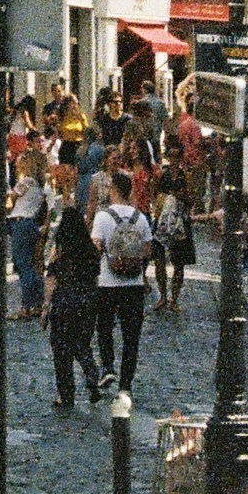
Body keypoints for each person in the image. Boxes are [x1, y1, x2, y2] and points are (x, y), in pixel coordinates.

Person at [93, 167, 157, 391]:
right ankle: (126, 383)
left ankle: (108, 366)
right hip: (134, 283)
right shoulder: (140, 218)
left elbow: (96, 246)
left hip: (108, 282)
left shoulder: (102, 216)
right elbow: (148, 249)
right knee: (132, 336)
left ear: (113, 190)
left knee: (104, 327)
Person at [45, 176, 106, 406]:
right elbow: (96, 273)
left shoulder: (61, 251)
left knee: (61, 349)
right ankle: (92, 377)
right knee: (81, 344)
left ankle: (66, 394)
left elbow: (51, 279)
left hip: (65, 300)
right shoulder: (90, 251)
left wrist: (45, 309)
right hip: (88, 299)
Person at [7, 146, 52, 320]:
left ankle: (26, 306)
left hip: (20, 223)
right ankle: (37, 303)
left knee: (23, 265)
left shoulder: (25, 182)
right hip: (31, 223)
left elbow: (10, 201)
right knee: (31, 266)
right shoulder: (41, 185)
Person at [152, 172, 194, 319]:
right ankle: (163, 296)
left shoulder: (186, 175)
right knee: (159, 262)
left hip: (181, 225)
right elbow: (155, 194)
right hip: (162, 224)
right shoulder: (163, 174)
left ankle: (174, 298)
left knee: (179, 264)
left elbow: (191, 200)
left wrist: (183, 196)